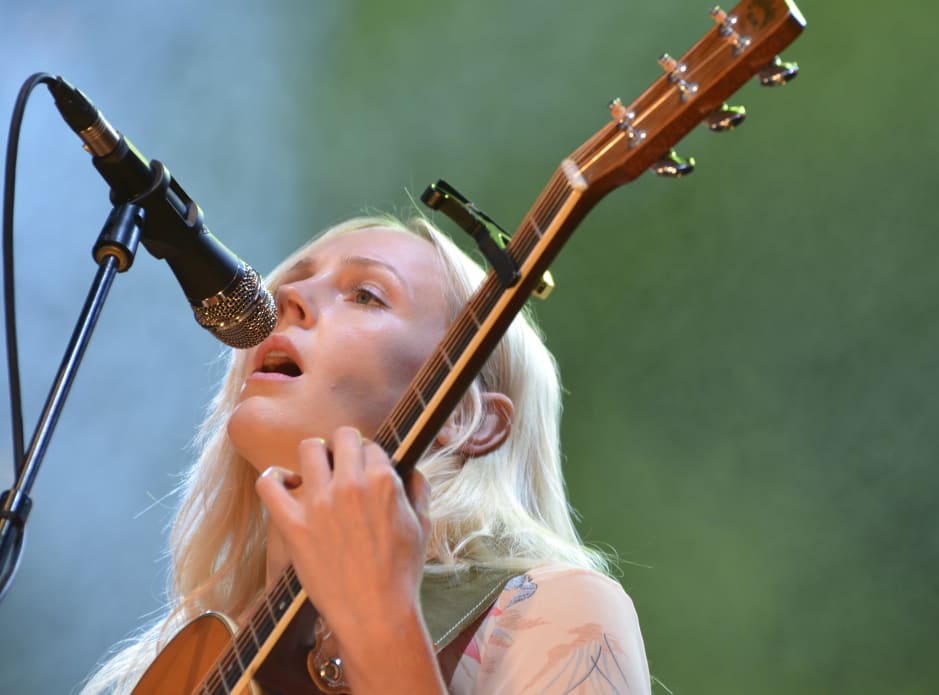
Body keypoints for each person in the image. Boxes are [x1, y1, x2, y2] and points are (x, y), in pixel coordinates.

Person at [80, 214, 651, 694]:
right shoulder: (185, 661)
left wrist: (380, 623)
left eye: (365, 294)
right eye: (293, 287)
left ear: (463, 417)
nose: (288, 299)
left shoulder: (555, 609)